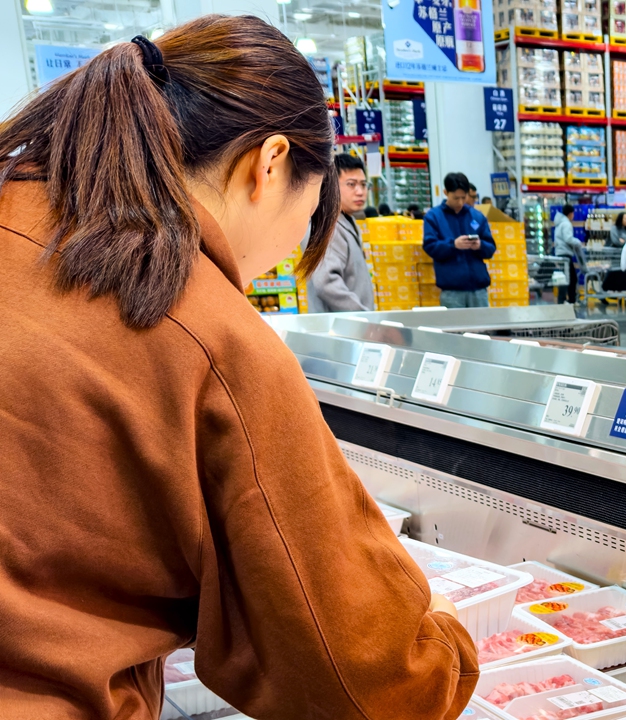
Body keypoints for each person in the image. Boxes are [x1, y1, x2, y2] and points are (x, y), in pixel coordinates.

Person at [0, 16, 476, 720]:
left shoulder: (22, 213)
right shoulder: (195, 321)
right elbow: (367, 680)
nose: (283, 258)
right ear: (272, 162)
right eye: (305, 219)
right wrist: (444, 639)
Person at [307, 154, 376, 312]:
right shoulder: (327, 226)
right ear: (331, 186)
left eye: (363, 184)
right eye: (351, 184)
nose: (360, 191)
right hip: (341, 327)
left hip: (351, 327)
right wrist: (363, 317)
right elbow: (326, 283)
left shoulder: (345, 220)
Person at [424, 172, 496, 307]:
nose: (460, 202)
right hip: (452, 291)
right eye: (456, 198)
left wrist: (480, 245)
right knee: (455, 328)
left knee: (482, 327)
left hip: (478, 290)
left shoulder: (476, 216)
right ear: (445, 192)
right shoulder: (433, 217)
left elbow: (491, 248)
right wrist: (453, 245)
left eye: (464, 197)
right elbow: (430, 246)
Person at [553, 203, 587, 304]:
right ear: (570, 213)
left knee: (566, 278)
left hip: (560, 253)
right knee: (571, 279)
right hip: (565, 254)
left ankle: (565, 299)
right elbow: (568, 239)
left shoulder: (559, 223)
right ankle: (569, 300)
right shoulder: (566, 224)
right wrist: (578, 242)